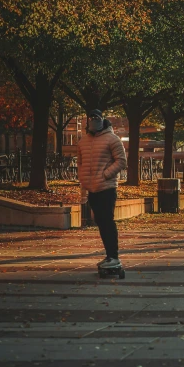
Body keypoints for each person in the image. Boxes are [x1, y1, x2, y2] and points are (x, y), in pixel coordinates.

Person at [77, 109, 127, 268]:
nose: (93, 120)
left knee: (107, 221)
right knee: (99, 221)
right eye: (90, 117)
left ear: (102, 119)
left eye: (96, 117)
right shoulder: (83, 141)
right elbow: (80, 163)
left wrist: (106, 175)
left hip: (106, 188)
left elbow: (121, 161)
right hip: (92, 188)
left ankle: (114, 256)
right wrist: (83, 182)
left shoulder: (112, 139)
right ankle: (109, 255)